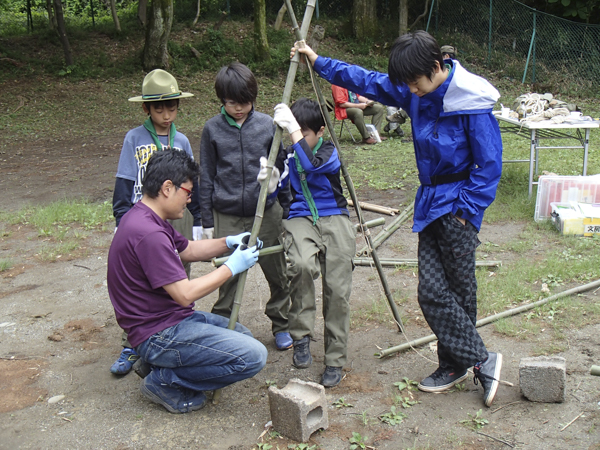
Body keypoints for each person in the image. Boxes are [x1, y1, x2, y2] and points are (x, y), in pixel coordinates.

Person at [292, 31, 504, 406]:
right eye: (406, 85)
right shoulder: (414, 88)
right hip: (430, 203)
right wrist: (318, 61)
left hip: (457, 207)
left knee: (460, 292)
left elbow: (488, 166)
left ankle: (458, 363)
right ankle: (477, 360)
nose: (411, 92)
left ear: (437, 67)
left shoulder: (470, 101)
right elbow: (367, 80)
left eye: (415, 83)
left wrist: (466, 213)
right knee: (432, 292)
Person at [107, 149, 267, 414]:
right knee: (252, 356)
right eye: (188, 192)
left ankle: (160, 364)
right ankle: (164, 380)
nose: (189, 199)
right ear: (167, 188)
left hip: (167, 320)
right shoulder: (148, 234)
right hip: (158, 333)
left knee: (241, 336)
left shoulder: (145, 217)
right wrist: (232, 267)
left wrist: (229, 242)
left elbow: (188, 249)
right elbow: (185, 294)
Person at [110, 69, 203, 376]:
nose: (166, 114)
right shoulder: (134, 139)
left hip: (179, 219)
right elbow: (124, 182)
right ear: (146, 109)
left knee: (177, 275)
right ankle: (132, 342)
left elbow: (193, 184)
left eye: (172, 107)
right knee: (141, 281)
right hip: (145, 223)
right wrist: (121, 220)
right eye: (159, 108)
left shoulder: (184, 141)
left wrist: (200, 221)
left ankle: (175, 328)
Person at [199, 62, 293, 351]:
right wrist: (206, 221)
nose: (238, 109)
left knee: (277, 272)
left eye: (244, 102)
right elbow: (206, 174)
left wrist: (286, 205)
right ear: (222, 101)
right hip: (226, 214)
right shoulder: (211, 130)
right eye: (231, 103)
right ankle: (222, 326)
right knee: (227, 276)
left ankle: (282, 324)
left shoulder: (268, 125)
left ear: (253, 98)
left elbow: (282, 168)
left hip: (265, 212)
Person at [264, 98, 356, 388]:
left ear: (319, 131)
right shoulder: (288, 153)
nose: (297, 138)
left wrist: (293, 130)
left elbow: (312, 165)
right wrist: (269, 181)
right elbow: (276, 188)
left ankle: (335, 358)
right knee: (301, 265)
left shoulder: (329, 152)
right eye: (295, 131)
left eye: (304, 132)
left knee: (337, 289)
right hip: (300, 218)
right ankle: (301, 337)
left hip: (334, 218)